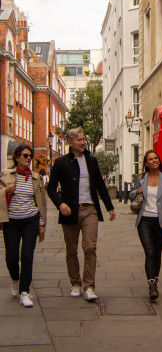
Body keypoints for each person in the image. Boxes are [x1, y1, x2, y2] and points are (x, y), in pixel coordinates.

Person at [47, 127, 116, 301]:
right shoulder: (61, 163)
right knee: (71, 250)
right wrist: (60, 203)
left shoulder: (91, 161)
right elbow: (51, 187)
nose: (83, 142)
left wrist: (109, 207)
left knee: (90, 248)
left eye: (83, 139)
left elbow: (100, 185)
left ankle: (89, 286)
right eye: (79, 140)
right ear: (70, 142)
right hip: (70, 212)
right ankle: (75, 284)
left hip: (90, 209)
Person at [0, 144, 47, 307]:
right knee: (11, 257)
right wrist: (6, 191)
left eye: (30, 156)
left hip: (30, 220)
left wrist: (42, 223)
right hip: (11, 221)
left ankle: (25, 291)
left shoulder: (36, 178)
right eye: (25, 155)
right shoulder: (6, 175)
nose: (28, 159)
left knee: (27, 256)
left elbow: (41, 203)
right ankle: (15, 278)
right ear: (17, 157)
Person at [129, 149, 162, 301]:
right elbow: (131, 195)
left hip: (161, 220)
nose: (154, 161)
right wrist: (137, 191)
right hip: (144, 220)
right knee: (150, 252)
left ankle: (154, 280)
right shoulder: (141, 178)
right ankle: (152, 286)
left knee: (157, 254)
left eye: (156, 158)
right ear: (146, 163)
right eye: (151, 159)